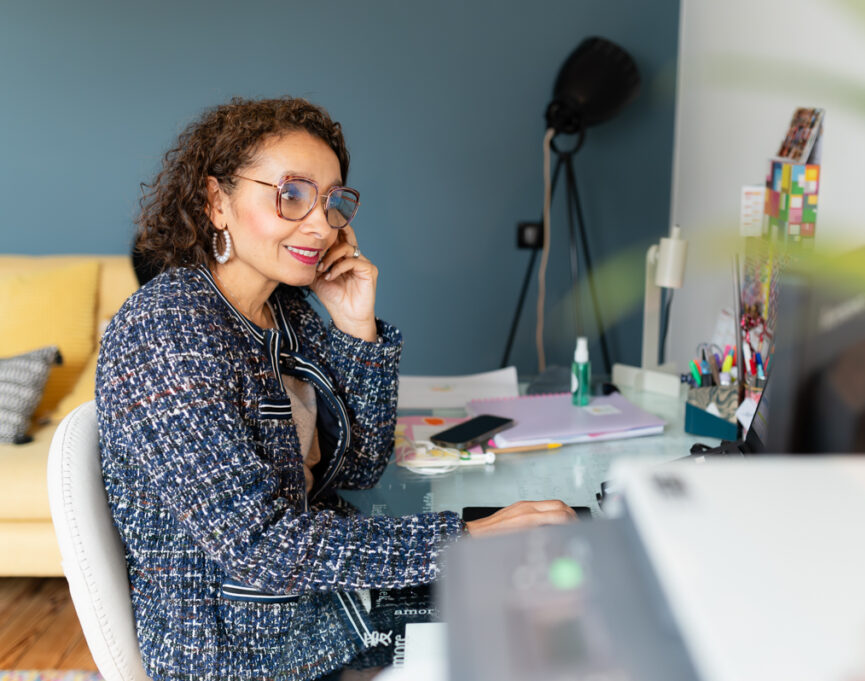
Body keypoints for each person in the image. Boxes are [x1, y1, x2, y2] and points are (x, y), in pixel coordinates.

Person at [96, 96, 576, 681]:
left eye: (332, 201)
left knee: (549, 598)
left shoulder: (285, 309)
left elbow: (359, 467)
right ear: (216, 201)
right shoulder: (166, 330)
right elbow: (260, 547)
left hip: (313, 606)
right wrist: (464, 538)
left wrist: (355, 327)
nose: (323, 225)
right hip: (240, 649)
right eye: (292, 194)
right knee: (537, 621)